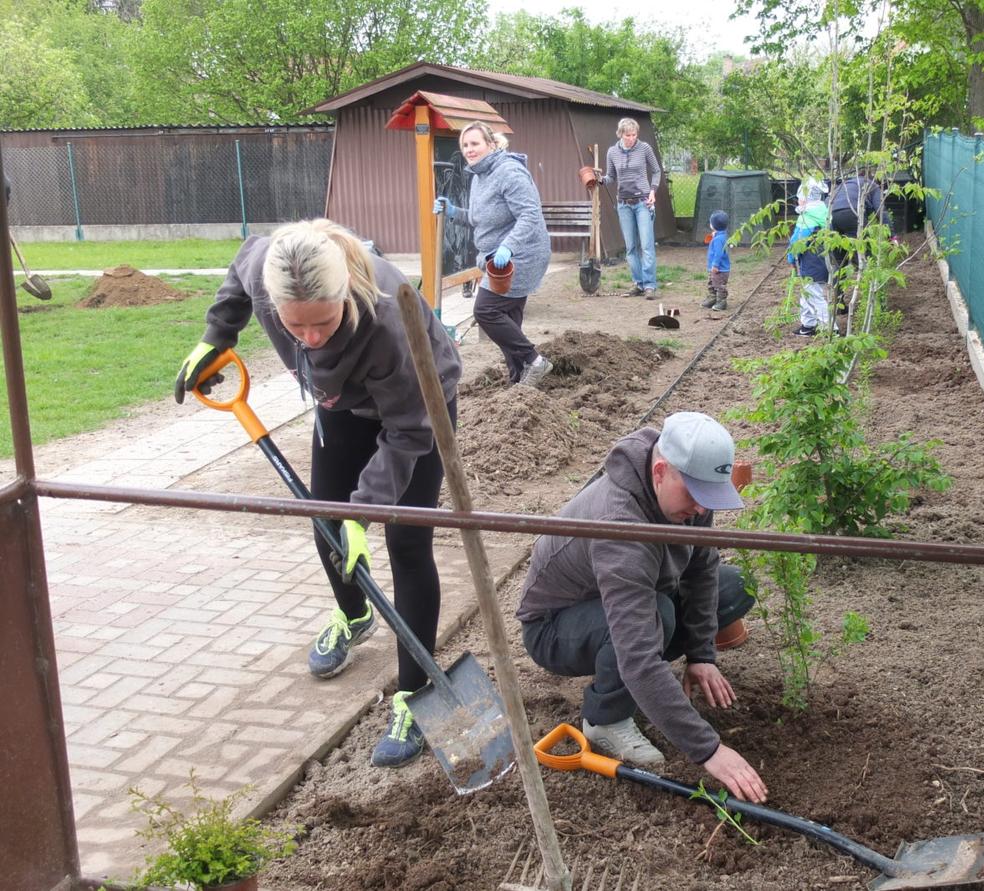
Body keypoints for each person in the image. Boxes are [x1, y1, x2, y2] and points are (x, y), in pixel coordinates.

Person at [173, 218, 462, 769]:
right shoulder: (267, 269)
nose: (308, 338)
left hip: (419, 408)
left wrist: (365, 513)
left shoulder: (384, 322)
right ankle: (355, 615)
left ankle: (415, 692)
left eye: (323, 323)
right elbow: (243, 262)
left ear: (345, 297)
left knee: (406, 544)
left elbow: (407, 431)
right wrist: (218, 333)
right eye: (294, 325)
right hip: (344, 407)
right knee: (325, 525)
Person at [517, 412, 768, 804]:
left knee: (732, 586)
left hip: (637, 593)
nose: (701, 511)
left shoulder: (690, 492)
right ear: (661, 471)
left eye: (709, 497)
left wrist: (702, 654)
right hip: (556, 626)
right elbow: (637, 657)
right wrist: (709, 750)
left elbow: (701, 571)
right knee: (655, 618)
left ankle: (657, 667)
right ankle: (605, 718)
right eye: (695, 496)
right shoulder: (619, 526)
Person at [436, 121, 553, 387]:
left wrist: (508, 246)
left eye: (475, 143)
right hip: (498, 254)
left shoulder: (508, 171)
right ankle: (519, 379)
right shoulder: (479, 176)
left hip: (524, 253)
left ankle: (535, 362)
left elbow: (530, 214)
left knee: (486, 311)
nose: (469, 149)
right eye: (465, 145)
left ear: (490, 144)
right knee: (509, 321)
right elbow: (483, 220)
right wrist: (454, 212)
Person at [600, 118, 662, 299]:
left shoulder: (644, 149)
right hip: (623, 204)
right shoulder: (612, 152)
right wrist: (600, 179)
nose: (631, 138)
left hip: (643, 202)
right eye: (628, 135)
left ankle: (650, 285)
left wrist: (653, 191)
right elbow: (611, 176)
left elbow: (657, 171)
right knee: (630, 248)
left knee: (647, 245)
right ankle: (639, 283)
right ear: (620, 134)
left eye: (634, 135)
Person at [828, 168, 886, 309]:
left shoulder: (845, 184)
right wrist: (892, 235)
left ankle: (838, 302)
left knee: (839, 263)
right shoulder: (872, 185)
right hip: (852, 215)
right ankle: (873, 303)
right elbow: (880, 210)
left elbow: (828, 200)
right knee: (864, 258)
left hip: (831, 216)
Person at [787, 186, 832, 337]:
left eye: (799, 197)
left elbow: (797, 241)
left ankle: (831, 328)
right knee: (807, 293)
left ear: (805, 198)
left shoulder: (807, 217)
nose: (798, 200)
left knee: (814, 295)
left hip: (811, 263)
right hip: (823, 260)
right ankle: (808, 325)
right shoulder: (824, 214)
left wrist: (791, 257)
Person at [700, 210, 730, 312]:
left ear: (713, 225)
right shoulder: (721, 235)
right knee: (712, 282)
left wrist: (715, 265)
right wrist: (715, 235)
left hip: (719, 269)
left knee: (719, 285)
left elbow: (718, 254)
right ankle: (712, 298)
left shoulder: (718, 240)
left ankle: (721, 302)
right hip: (716, 268)